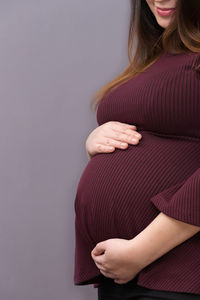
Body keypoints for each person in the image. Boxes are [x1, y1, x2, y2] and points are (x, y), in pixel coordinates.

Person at [74, 0, 200, 299]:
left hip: (180, 271)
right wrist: (95, 142)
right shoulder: (156, 59)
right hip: (124, 273)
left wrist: (140, 251)